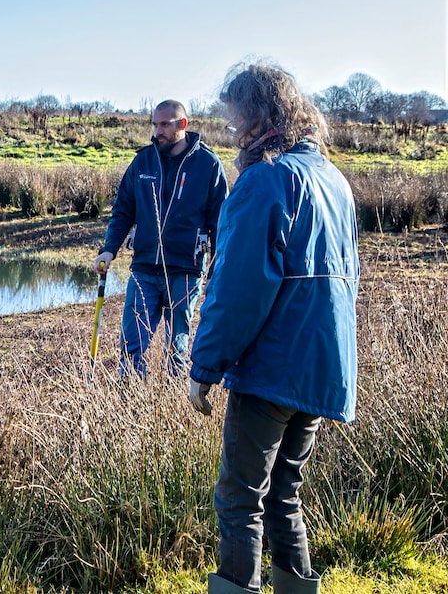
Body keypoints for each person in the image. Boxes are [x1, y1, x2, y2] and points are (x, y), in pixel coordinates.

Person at [187, 62, 359, 594]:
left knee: (239, 497)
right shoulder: (334, 180)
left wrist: (204, 366)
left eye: (237, 119)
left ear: (261, 116)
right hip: (322, 364)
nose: (233, 131)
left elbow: (238, 288)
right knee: (285, 489)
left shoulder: (265, 180)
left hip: (272, 365)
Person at [94, 100, 228, 378]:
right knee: (132, 347)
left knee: (175, 351)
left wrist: (217, 270)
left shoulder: (208, 165)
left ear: (182, 125)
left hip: (186, 272)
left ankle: (170, 405)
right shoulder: (142, 161)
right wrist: (109, 249)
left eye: (165, 124)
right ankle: (127, 405)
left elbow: (221, 224)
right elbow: (122, 211)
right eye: (155, 124)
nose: (158, 131)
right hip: (144, 269)